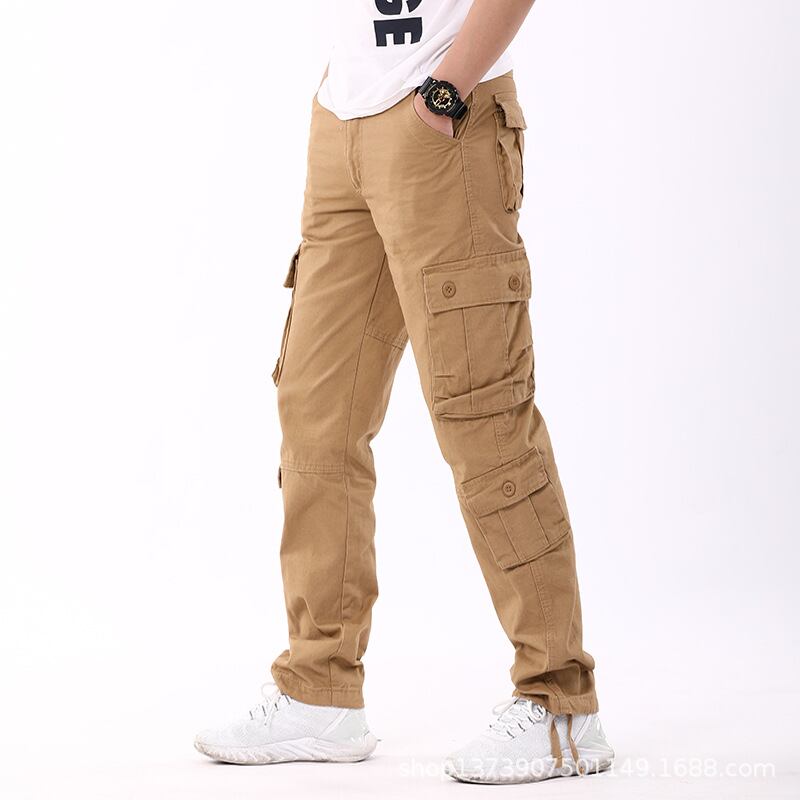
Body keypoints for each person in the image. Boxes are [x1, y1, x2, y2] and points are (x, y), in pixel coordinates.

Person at [195, 0, 613, 784]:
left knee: (482, 414)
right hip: (342, 117)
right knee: (316, 413)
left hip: (443, 115)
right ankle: (320, 690)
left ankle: (560, 703)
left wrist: (447, 90)